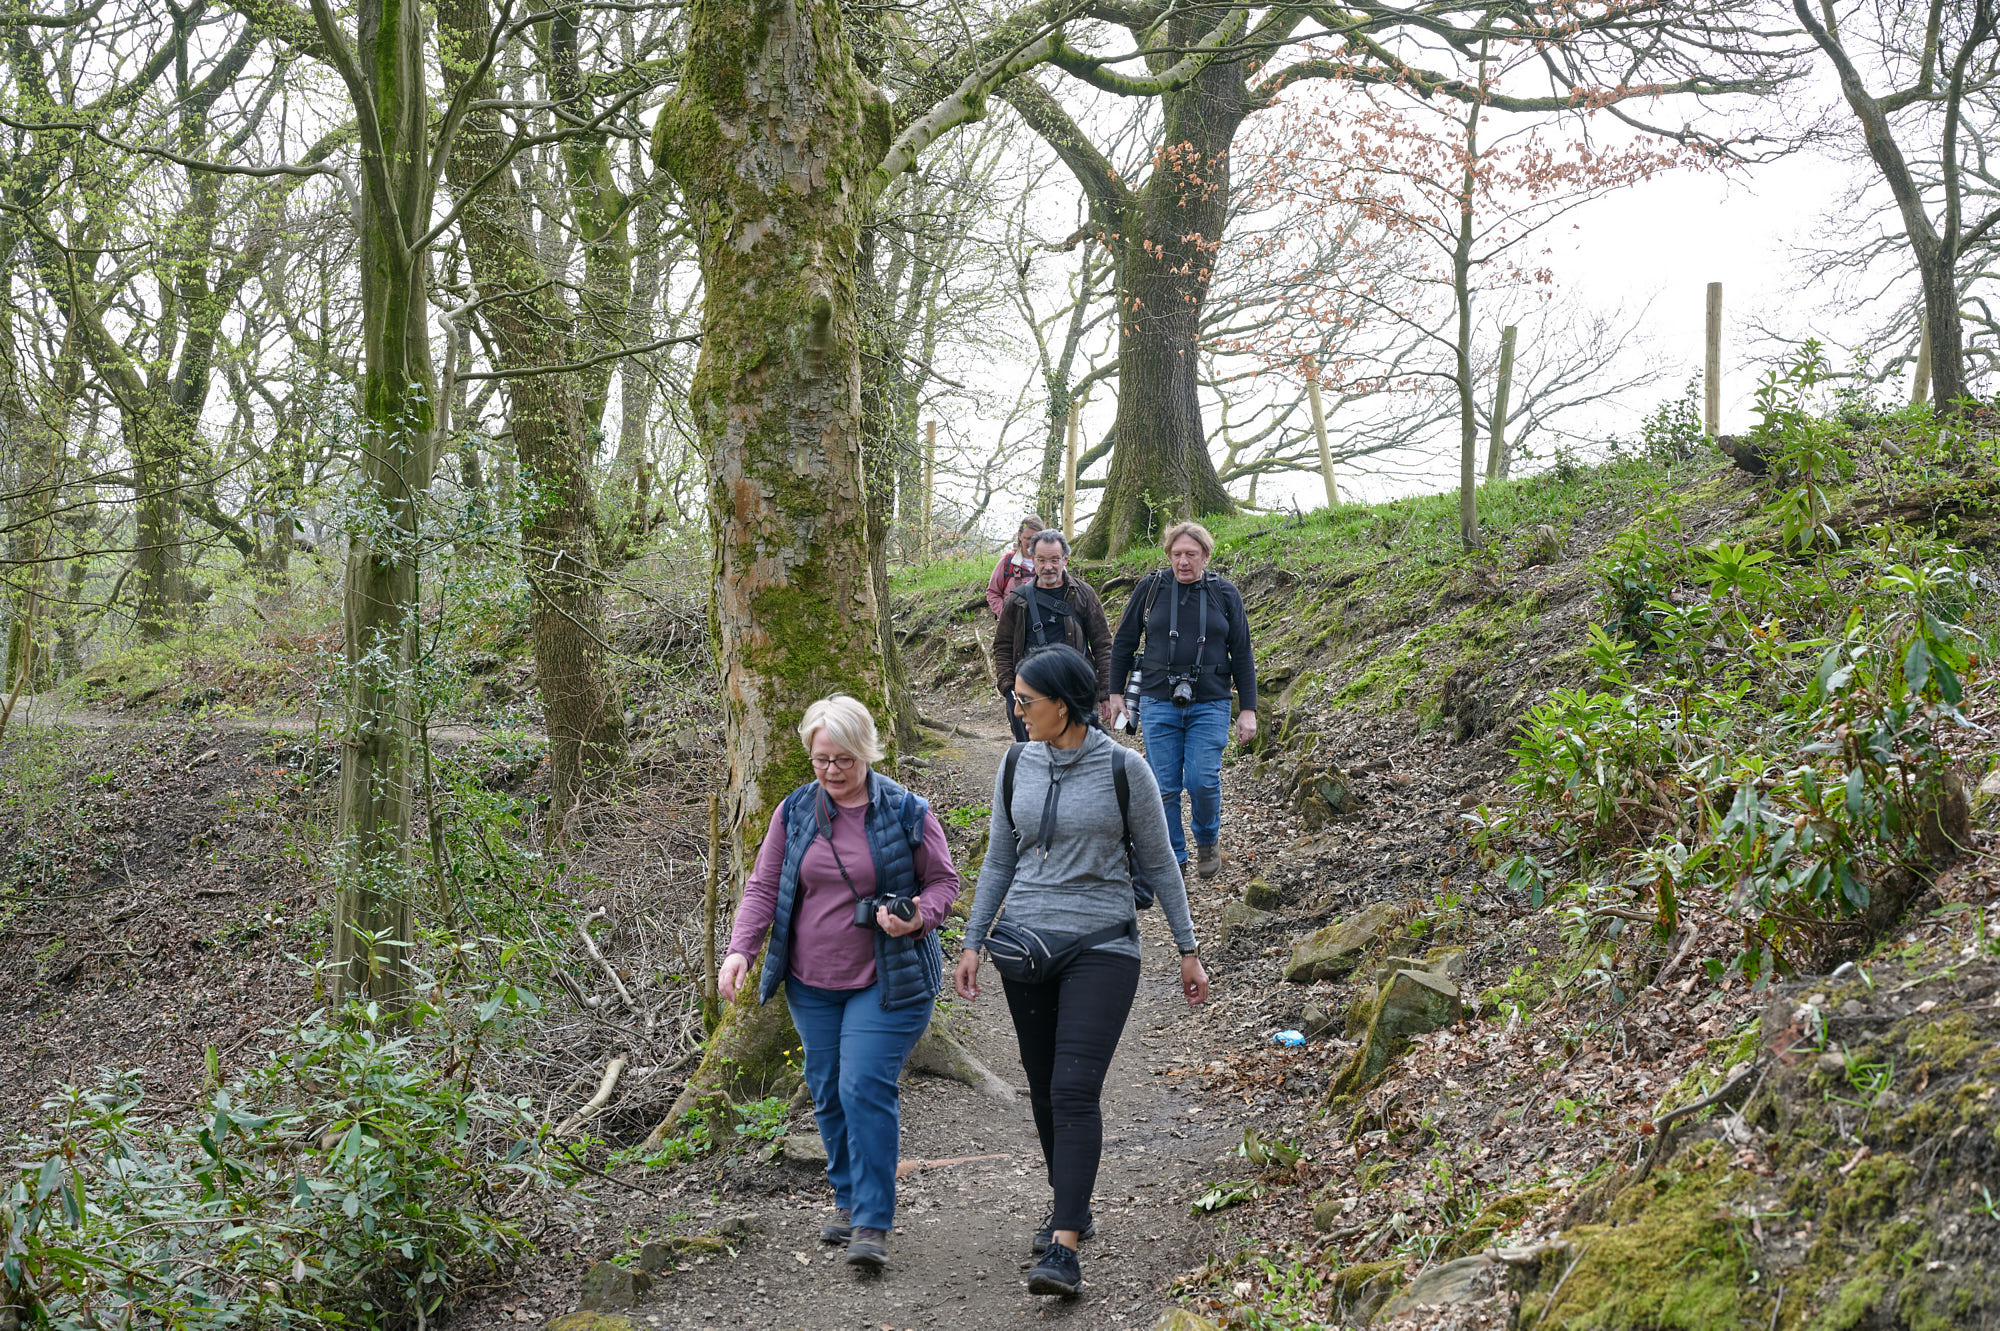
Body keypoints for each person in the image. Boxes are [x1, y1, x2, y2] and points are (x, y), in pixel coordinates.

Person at [954, 645, 1208, 1299]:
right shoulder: (1015, 763)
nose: (1016, 710)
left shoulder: (1127, 771)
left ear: (1063, 705)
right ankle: (1073, 1201)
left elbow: (1160, 861)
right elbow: (998, 861)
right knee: (1043, 1089)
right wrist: (972, 940)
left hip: (1103, 944)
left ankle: (1064, 1247)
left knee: (1072, 1087)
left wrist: (1187, 947)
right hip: (1026, 948)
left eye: (1025, 701)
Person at [716, 695, 960, 1272]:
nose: (831, 771)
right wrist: (739, 952)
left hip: (888, 978)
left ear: (866, 752)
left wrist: (917, 915)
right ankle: (849, 1200)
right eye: (821, 759)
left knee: (863, 1086)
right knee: (826, 1089)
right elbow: (762, 886)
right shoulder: (796, 811)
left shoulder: (905, 810)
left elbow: (944, 883)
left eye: (843, 760)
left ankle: (873, 1221)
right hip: (810, 981)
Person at [1106, 521, 1256, 880]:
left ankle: (1207, 840)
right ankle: (1174, 855)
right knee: (1164, 786)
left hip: (1211, 701)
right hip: (1158, 700)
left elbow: (1243, 653)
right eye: (1177, 554)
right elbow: (1124, 642)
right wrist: (1115, 693)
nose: (1183, 561)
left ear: (1206, 555)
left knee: (1202, 780)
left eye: (1191, 554)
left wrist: (1248, 709)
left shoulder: (1225, 593)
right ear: (1168, 556)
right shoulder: (1151, 588)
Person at [993, 530, 1115, 741]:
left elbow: (1103, 644)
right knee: (1034, 758)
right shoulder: (1016, 600)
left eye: (1054, 560)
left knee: (1080, 755)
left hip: (1076, 691)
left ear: (1065, 559)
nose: (1048, 566)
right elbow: (1003, 646)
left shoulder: (1083, 594)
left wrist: (1106, 693)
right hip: (1030, 696)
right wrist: (1010, 690)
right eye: (1041, 560)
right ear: (1033, 559)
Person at [983, 514, 1045, 617]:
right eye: (1027, 538)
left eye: (1036, 539)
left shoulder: (1051, 563)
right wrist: (1004, 615)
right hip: (1014, 627)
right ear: (1019, 536)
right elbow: (992, 592)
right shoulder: (1007, 561)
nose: (1032, 543)